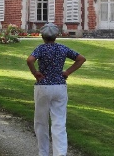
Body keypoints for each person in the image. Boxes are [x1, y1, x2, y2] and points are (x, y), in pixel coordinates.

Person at [26, 23, 86, 156]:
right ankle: (60, 153)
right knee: (59, 122)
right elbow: (81, 59)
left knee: (41, 122)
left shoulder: (41, 49)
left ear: (42, 36)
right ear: (56, 36)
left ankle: (43, 152)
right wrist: (67, 72)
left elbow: (30, 60)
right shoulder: (62, 48)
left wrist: (35, 73)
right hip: (59, 86)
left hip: (44, 86)